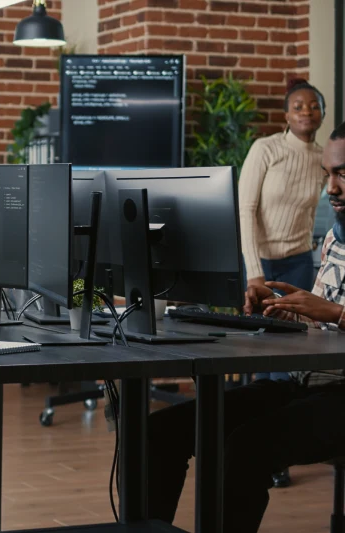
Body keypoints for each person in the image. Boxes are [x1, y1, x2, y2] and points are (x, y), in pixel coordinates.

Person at [147, 123, 345, 533]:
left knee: (245, 446)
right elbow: (326, 324)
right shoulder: (334, 240)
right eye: (327, 174)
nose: (331, 188)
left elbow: (335, 315)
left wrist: (333, 313)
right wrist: (292, 312)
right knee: (159, 431)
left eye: (343, 173)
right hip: (305, 382)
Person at [237, 79, 327, 487]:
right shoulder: (266, 149)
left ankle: (276, 451)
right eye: (298, 106)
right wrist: (254, 270)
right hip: (262, 263)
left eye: (313, 106)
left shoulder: (325, 159)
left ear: (321, 114)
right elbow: (246, 209)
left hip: (298, 264)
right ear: (286, 114)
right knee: (261, 351)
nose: (306, 111)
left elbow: (314, 214)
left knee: (290, 355)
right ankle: (252, 441)